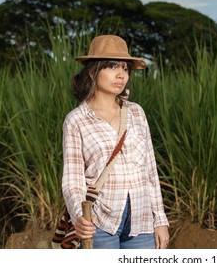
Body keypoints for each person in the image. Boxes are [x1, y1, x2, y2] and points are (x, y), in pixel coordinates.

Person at [61, 35, 169, 249]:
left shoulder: (136, 112)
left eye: (126, 68)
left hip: (142, 219)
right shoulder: (76, 120)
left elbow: (150, 171)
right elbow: (72, 180)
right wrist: (78, 216)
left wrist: (160, 220)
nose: (121, 75)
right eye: (112, 67)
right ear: (93, 71)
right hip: (100, 221)